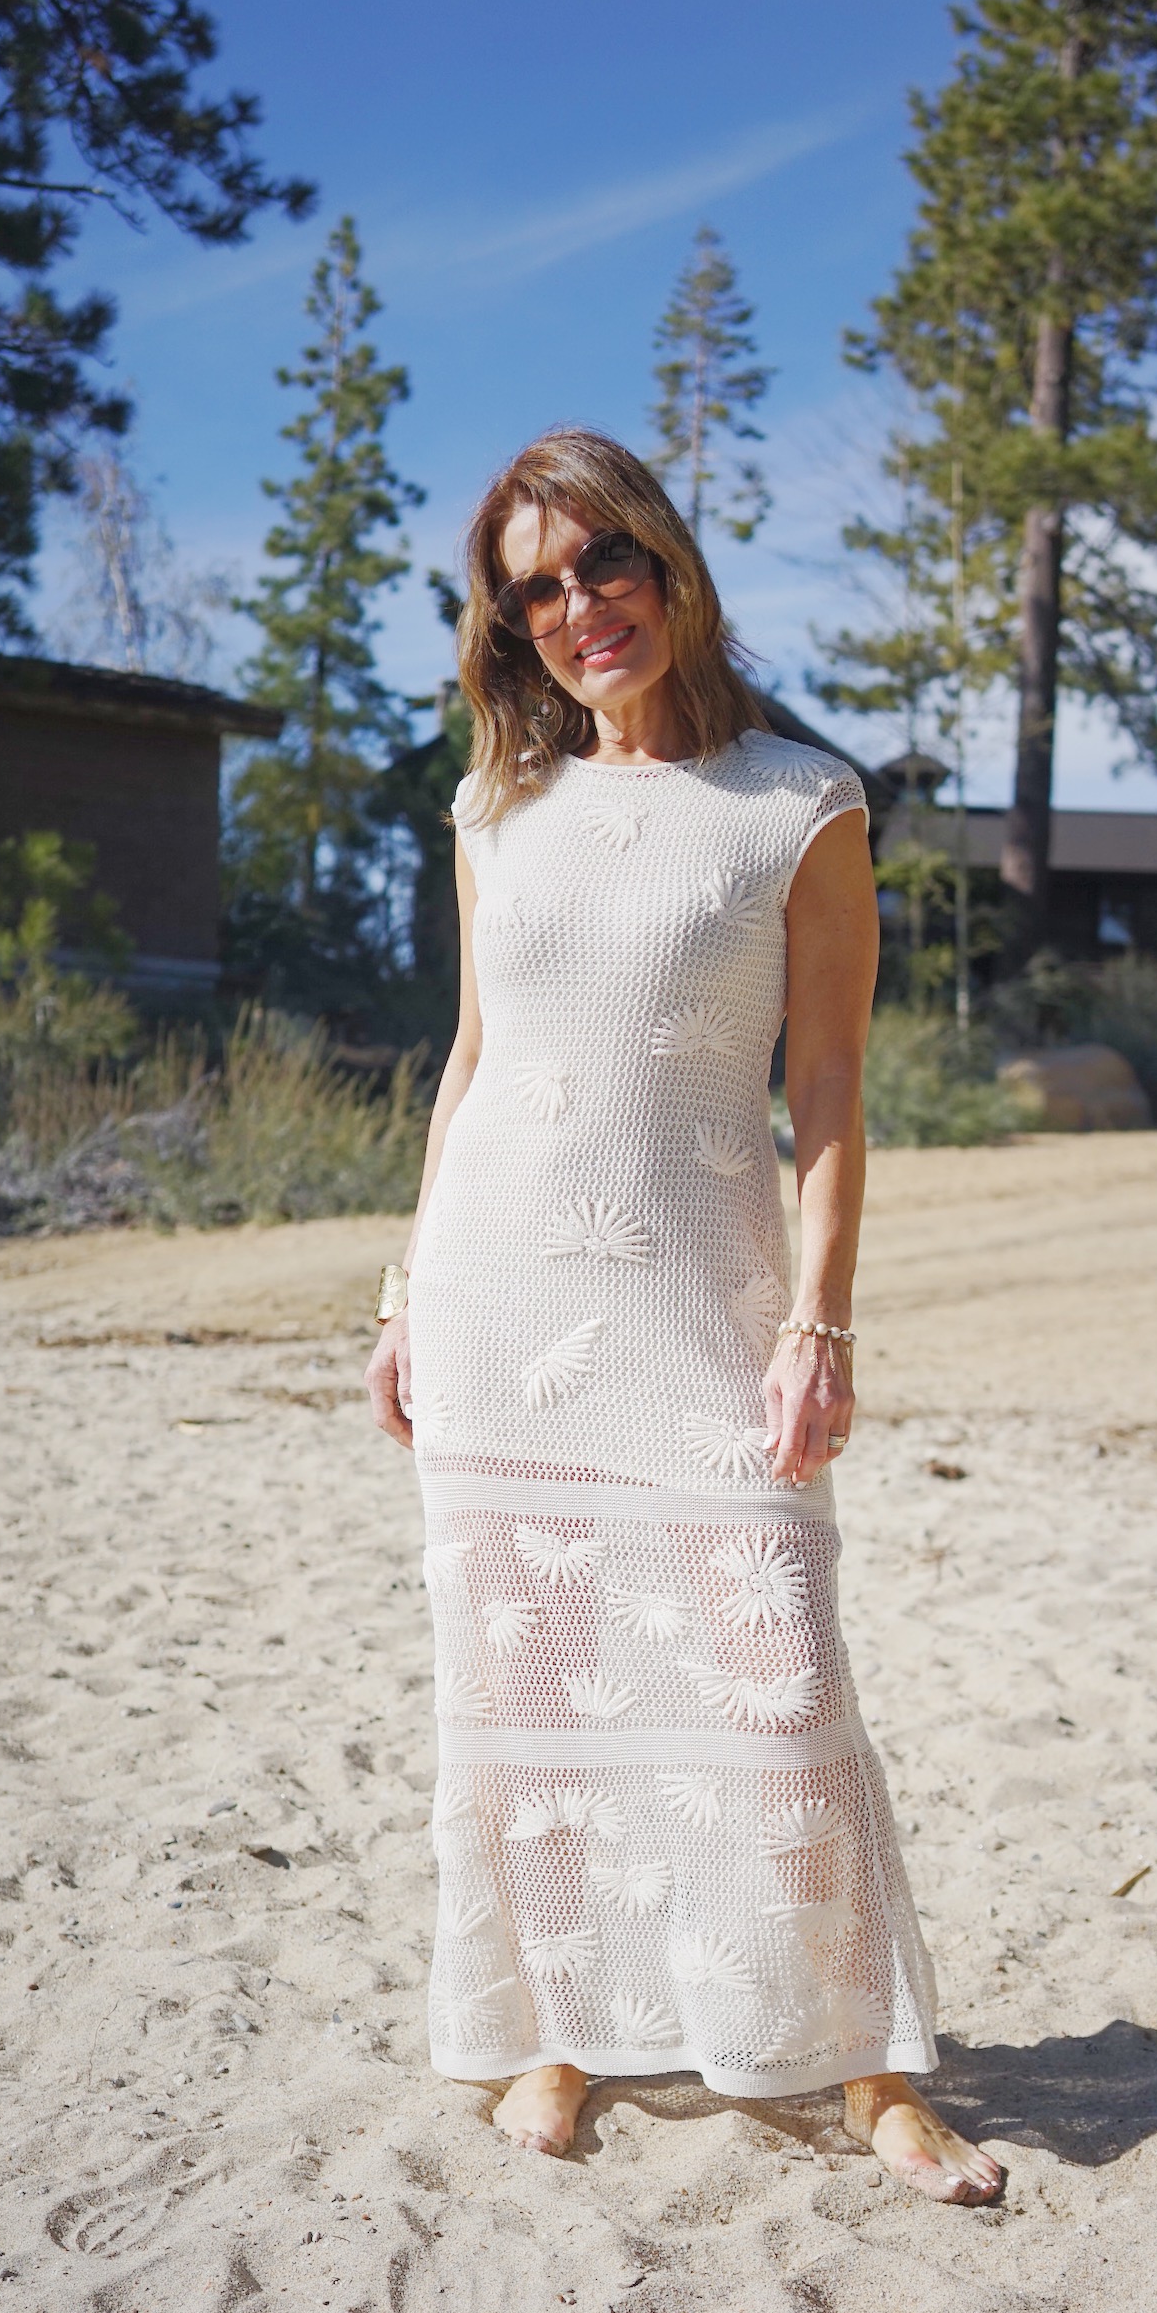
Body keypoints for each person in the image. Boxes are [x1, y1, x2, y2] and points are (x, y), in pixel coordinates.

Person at [365, 427, 1002, 2205]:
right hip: (503, 1296)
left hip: (699, 1301)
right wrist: (411, 1293)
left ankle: (877, 2076)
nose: (580, 612)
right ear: (512, 628)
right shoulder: (502, 809)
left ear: (668, 564)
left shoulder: (801, 802)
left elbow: (835, 1093)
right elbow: (471, 1068)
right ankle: (557, 2037)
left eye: (603, 567)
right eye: (537, 592)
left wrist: (823, 1325)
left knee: (774, 1670)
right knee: (535, 1669)